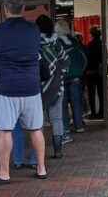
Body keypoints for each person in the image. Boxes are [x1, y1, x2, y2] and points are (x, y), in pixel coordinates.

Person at [0, 0, 47, 183]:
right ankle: (42, 169)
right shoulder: (34, 29)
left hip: (6, 88)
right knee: (36, 129)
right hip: (31, 87)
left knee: (5, 131)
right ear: (23, 8)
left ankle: (4, 173)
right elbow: (39, 52)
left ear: (5, 9)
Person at [36, 15, 69, 158]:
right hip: (57, 85)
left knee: (39, 121)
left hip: (39, 88)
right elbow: (65, 62)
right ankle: (58, 150)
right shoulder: (57, 43)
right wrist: (59, 74)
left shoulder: (35, 44)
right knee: (57, 119)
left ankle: (40, 152)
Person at [56, 20, 87, 136]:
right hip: (76, 78)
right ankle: (79, 126)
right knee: (76, 102)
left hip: (62, 77)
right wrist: (80, 72)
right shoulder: (75, 41)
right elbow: (83, 58)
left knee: (63, 104)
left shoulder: (57, 42)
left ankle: (66, 128)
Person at [85, 27, 104, 119]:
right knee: (101, 93)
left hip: (91, 72)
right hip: (100, 72)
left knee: (91, 94)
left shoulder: (90, 45)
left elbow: (87, 59)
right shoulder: (102, 44)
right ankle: (102, 112)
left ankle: (93, 113)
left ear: (92, 34)